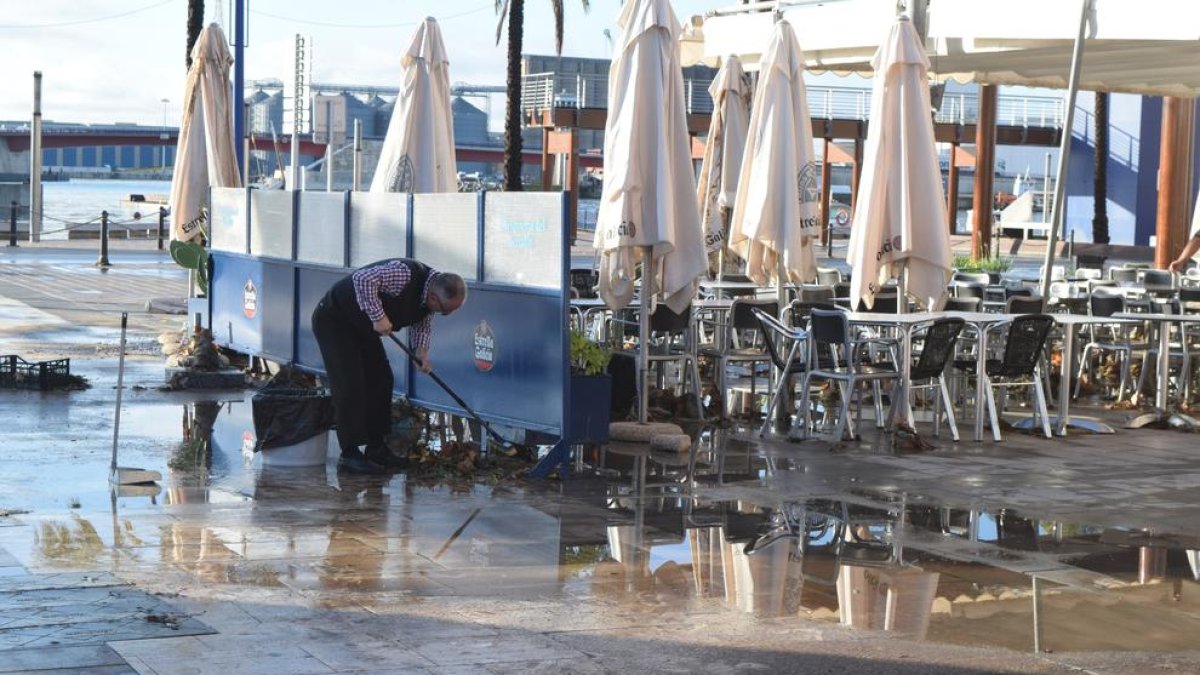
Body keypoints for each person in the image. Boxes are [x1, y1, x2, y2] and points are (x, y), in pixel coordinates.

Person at [312, 259, 467, 474]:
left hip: (363, 327)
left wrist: (421, 352)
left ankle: (376, 447)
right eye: (444, 311)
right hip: (335, 320)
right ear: (434, 297)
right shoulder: (404, 274)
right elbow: (362, 278)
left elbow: (422, 320)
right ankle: (349, 454)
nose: (443, 314)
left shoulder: (430, 296)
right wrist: (379, 316)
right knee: (349, 383)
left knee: (382, 378)